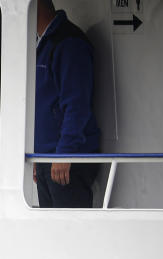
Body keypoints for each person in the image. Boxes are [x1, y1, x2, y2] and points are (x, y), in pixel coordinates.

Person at [34, 0, 100, 208]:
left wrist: (65, 153)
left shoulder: (68, 42)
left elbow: (76, 103)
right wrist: (35, 155)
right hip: (47, 159)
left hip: (65, 161)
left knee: (73, 235)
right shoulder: (43, 44)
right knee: (53, 235)